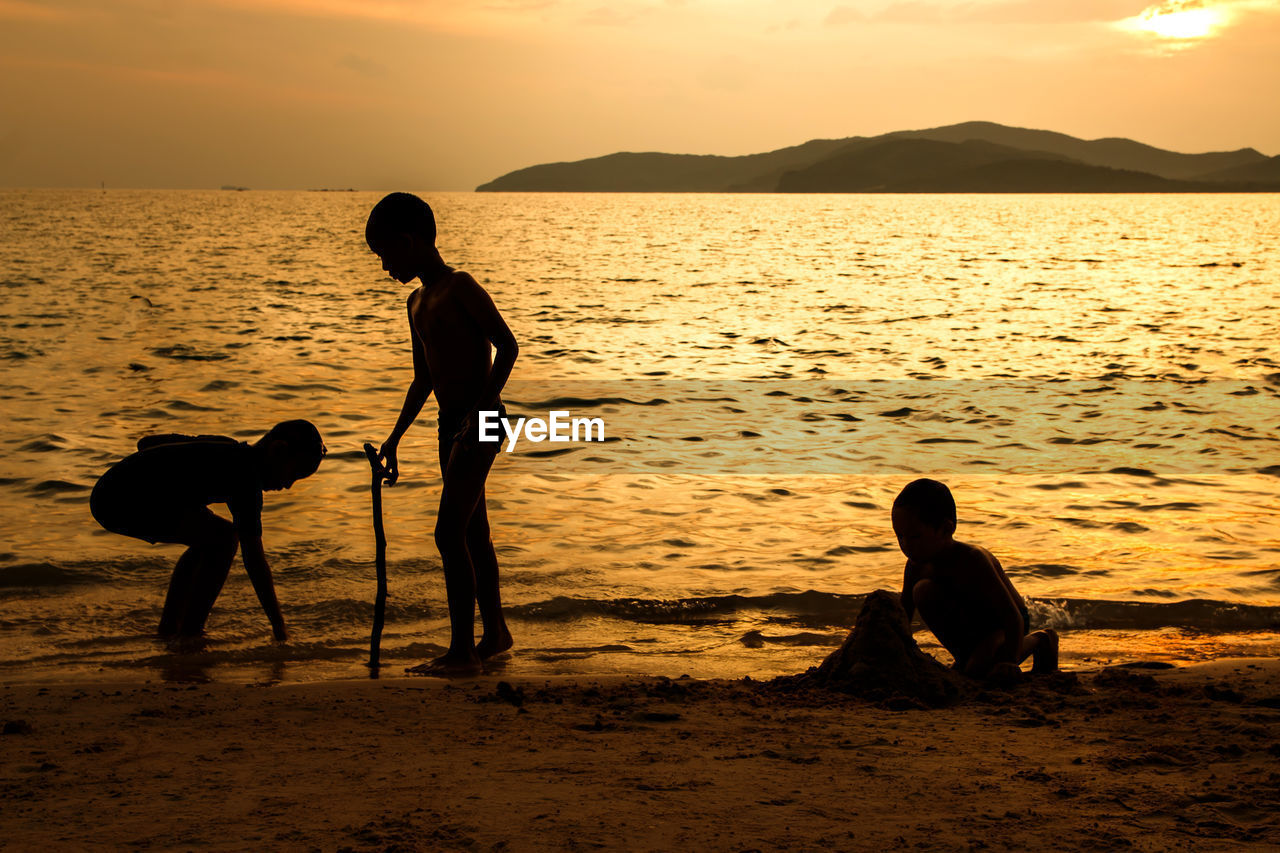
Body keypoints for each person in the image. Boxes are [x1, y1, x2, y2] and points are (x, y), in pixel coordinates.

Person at [367, 192, 518, 676]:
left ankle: (462, 653)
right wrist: (395, 438)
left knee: (447, 532)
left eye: (386, 254)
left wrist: (484, 408)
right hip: (448, 424)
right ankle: (494, 633)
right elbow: (423, 379)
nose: (385, 265)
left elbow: (507, 347)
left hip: (483, 420)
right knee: (474, 533)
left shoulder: (460, 287)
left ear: (409, 241)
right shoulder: (415, 302)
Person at [89, 420, 325, 640]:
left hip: (109, 491)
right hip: (118, 500)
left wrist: (178, 478)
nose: (287, 485)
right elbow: (254, 559)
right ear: (278, 451)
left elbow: (147, 443)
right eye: (293, 474)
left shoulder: (225, 447)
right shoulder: (245, 479)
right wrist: (278, 625)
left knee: (211, 538)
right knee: (224, 539)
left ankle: (171, 629)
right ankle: (191, 632)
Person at [893, 478, 1058, 678]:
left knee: (978, 670)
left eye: (915, 537)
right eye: (899, 536)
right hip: (969, 622)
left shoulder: (972, 560)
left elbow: (1012, 617)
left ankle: (1041, 639)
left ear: (946, 529)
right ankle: (967, 657)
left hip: (1004, 625)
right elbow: (903, 616)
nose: (906, 545)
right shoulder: (915, 567)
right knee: (922, 591)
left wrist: (1009, 661)